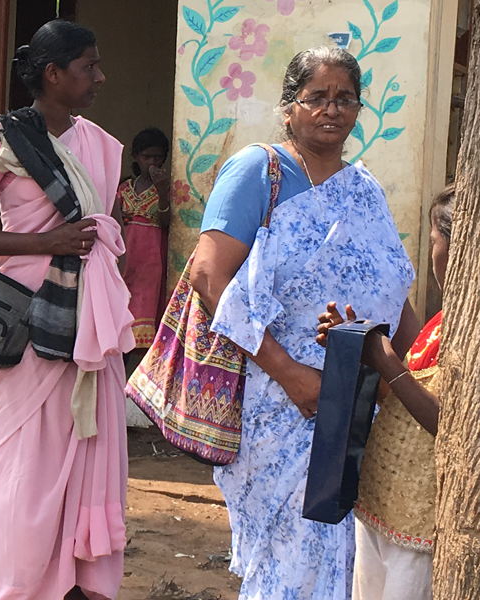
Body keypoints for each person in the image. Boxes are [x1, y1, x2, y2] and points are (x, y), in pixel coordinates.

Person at [187, 46, 422, 600]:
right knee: (290, 557)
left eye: (344, 98)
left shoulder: (363, 190)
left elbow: (392, 294)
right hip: (281, 400)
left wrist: (424, 367)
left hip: (359, 403)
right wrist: (290, 372)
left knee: (348, 559)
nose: (331, 110)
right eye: (316, 97)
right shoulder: (260, 171)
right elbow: (208, 276)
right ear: (289, 108)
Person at [0, 19, 133, 600]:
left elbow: (96, 237)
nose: (99, 77)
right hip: (27, 321)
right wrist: (44, 244)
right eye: (87, 67)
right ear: (53, 74)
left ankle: (75, 579)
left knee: (87, 450)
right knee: (25, 470)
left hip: (88, 322)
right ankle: (18, 585)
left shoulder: (97, 143)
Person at [315, 185, 454, 600]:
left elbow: (449, 424)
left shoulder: (477, 334)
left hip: (418, 522)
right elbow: (402, 406)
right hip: (382, 505)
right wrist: (357, 351)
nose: (432, 254)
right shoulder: (440, 323)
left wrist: (387, 361)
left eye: (433, 241)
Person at [114, 127, 172, 372]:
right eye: (147, 156)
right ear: (135, 157)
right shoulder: (124, 188)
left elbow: (166, 223)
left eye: (158, 157)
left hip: (150, 261)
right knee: (120, 312)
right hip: (126, 259)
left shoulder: (168, 189)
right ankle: (118, 375)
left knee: (145, 314)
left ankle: (144, 380)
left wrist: (161, 192)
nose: (152, 162)